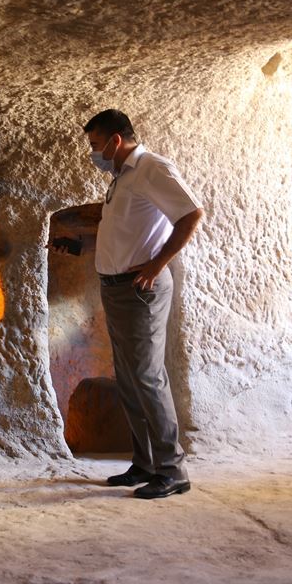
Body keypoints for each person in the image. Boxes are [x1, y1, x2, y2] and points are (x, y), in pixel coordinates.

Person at [78, 109, 203, 499]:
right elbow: (127, 232)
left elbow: (192, 213)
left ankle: (172, 470)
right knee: (130, 378)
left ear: (116, 141)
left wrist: (157, 264)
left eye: (96, 145)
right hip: (116, 288)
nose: (94, 153)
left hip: (139, 289)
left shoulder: (152, 168)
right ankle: (145, 463)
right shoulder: (122, 178)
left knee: (147, 377)